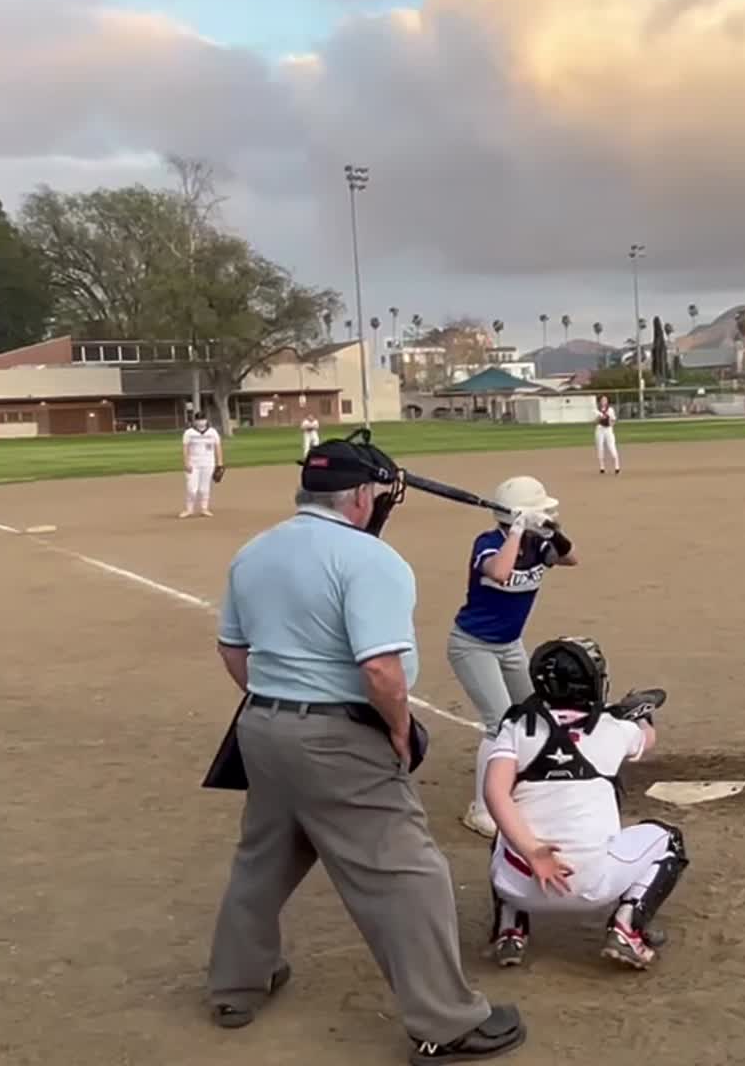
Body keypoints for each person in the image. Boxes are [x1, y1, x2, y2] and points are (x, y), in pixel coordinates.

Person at [207, 434, 527, 1063]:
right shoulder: (369, 560)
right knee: (408, 873)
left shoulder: (253, 552)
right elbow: (380, 670)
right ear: (359, 496)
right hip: (339, 737)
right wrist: (401, 731)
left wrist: (280, 697)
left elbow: (232, 651)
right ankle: (447, 1021)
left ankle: (235, 986)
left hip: (263, 728)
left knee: (262, 861)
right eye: (380, 495)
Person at [481, 637, 685, 971]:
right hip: (592, 885)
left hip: (518, 883)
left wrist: (533, 850)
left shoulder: (517, 727)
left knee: (507, 828)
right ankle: (627, 927)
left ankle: (510, 929)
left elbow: (494, 793)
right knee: (669, 840)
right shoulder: (613, 729)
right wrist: (640, 716)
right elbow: (646, 740)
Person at [446, 476, 577, 838]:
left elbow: (571, 558)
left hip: (509, 645)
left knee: (533, 714)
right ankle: (482, 808)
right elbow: (501, 573)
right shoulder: (488, 544)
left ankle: (526, 784)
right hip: (472, 645)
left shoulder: (538, 545)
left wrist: (551, 532)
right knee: (499, 723)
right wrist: (518, 530)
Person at [182, 412, 225, 517]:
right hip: (193, 464)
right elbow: (185, 448)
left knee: (204, 488)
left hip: (208, 463)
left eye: (203, 419)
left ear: (206, 419)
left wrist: (220, 463)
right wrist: (186, 463)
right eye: (199, 419)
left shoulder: (213, 432)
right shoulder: (189, 433)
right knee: (192, 488)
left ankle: (204, 508)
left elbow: (218, 446)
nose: (201, 421)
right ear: (195, 421)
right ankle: (189, 509)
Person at [594, 396, 620, 475]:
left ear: (607, 401)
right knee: (600, 447)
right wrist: (600, 418)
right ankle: (602, 467)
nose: (603, 401)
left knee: (611, 447)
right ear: (600, 402)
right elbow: (594, 421)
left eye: (605, 400)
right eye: (602, 400)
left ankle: (617, 466)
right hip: (600, 429)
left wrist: (610, 423)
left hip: (608, 430)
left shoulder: (610, 410)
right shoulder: (597, 410)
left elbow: (613, 420)